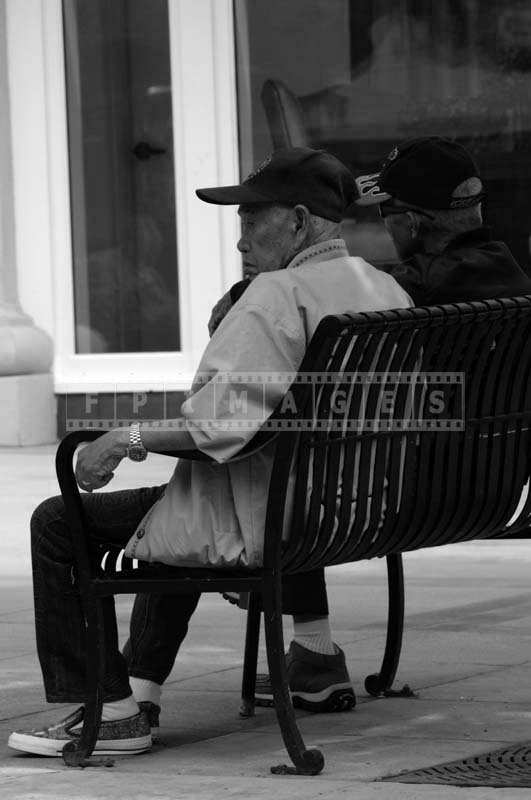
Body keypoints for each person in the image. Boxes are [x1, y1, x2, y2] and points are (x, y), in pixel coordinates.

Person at [8, 147, 412, 757]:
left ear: (300, 222)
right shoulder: (382, 286)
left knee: (59, 522)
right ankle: (137, 693)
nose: (241, 241)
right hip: (352, 507)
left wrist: (123, 438)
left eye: (253, 221)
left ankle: (111, 710)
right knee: (175, 511)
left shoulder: (276, 296)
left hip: (274, 515)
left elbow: (216, 428)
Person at [205, 136, 531, 709]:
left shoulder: (408, 290)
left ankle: (304, 635)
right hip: (493, 491)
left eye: (386, 214)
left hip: (399, 494)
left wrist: (248, 292)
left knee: (295, 446)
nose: (383, 227)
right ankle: (312, 654)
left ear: (411, 221)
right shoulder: (513, 279)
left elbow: (264, 313)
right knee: (317, 435)